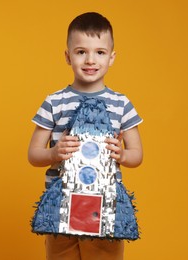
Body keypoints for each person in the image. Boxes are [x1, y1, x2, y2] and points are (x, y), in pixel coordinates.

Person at [28, 12, 143, 260]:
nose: (90, 59)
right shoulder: (54, 102)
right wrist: (53, 152)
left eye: (100, 52)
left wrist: (121, 154)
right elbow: (33, 154)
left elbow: (137, 155)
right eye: (81, 52)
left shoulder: (121, 104)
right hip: (60, 208)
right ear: (68, 57)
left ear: (111, 58)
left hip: (104, 207)